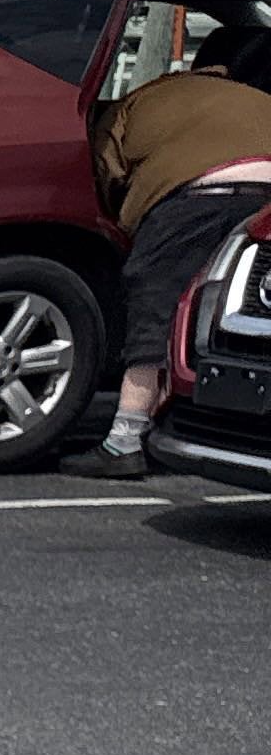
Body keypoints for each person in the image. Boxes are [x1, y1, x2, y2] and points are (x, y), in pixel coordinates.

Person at [75, 24, 271, 479]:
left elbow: (107, 165)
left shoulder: (150, 95)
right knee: (234, 311)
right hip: (265, 208)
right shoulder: (261, 102)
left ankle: (124, 440)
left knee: (156, 306)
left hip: (199, 200)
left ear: (198, 64)